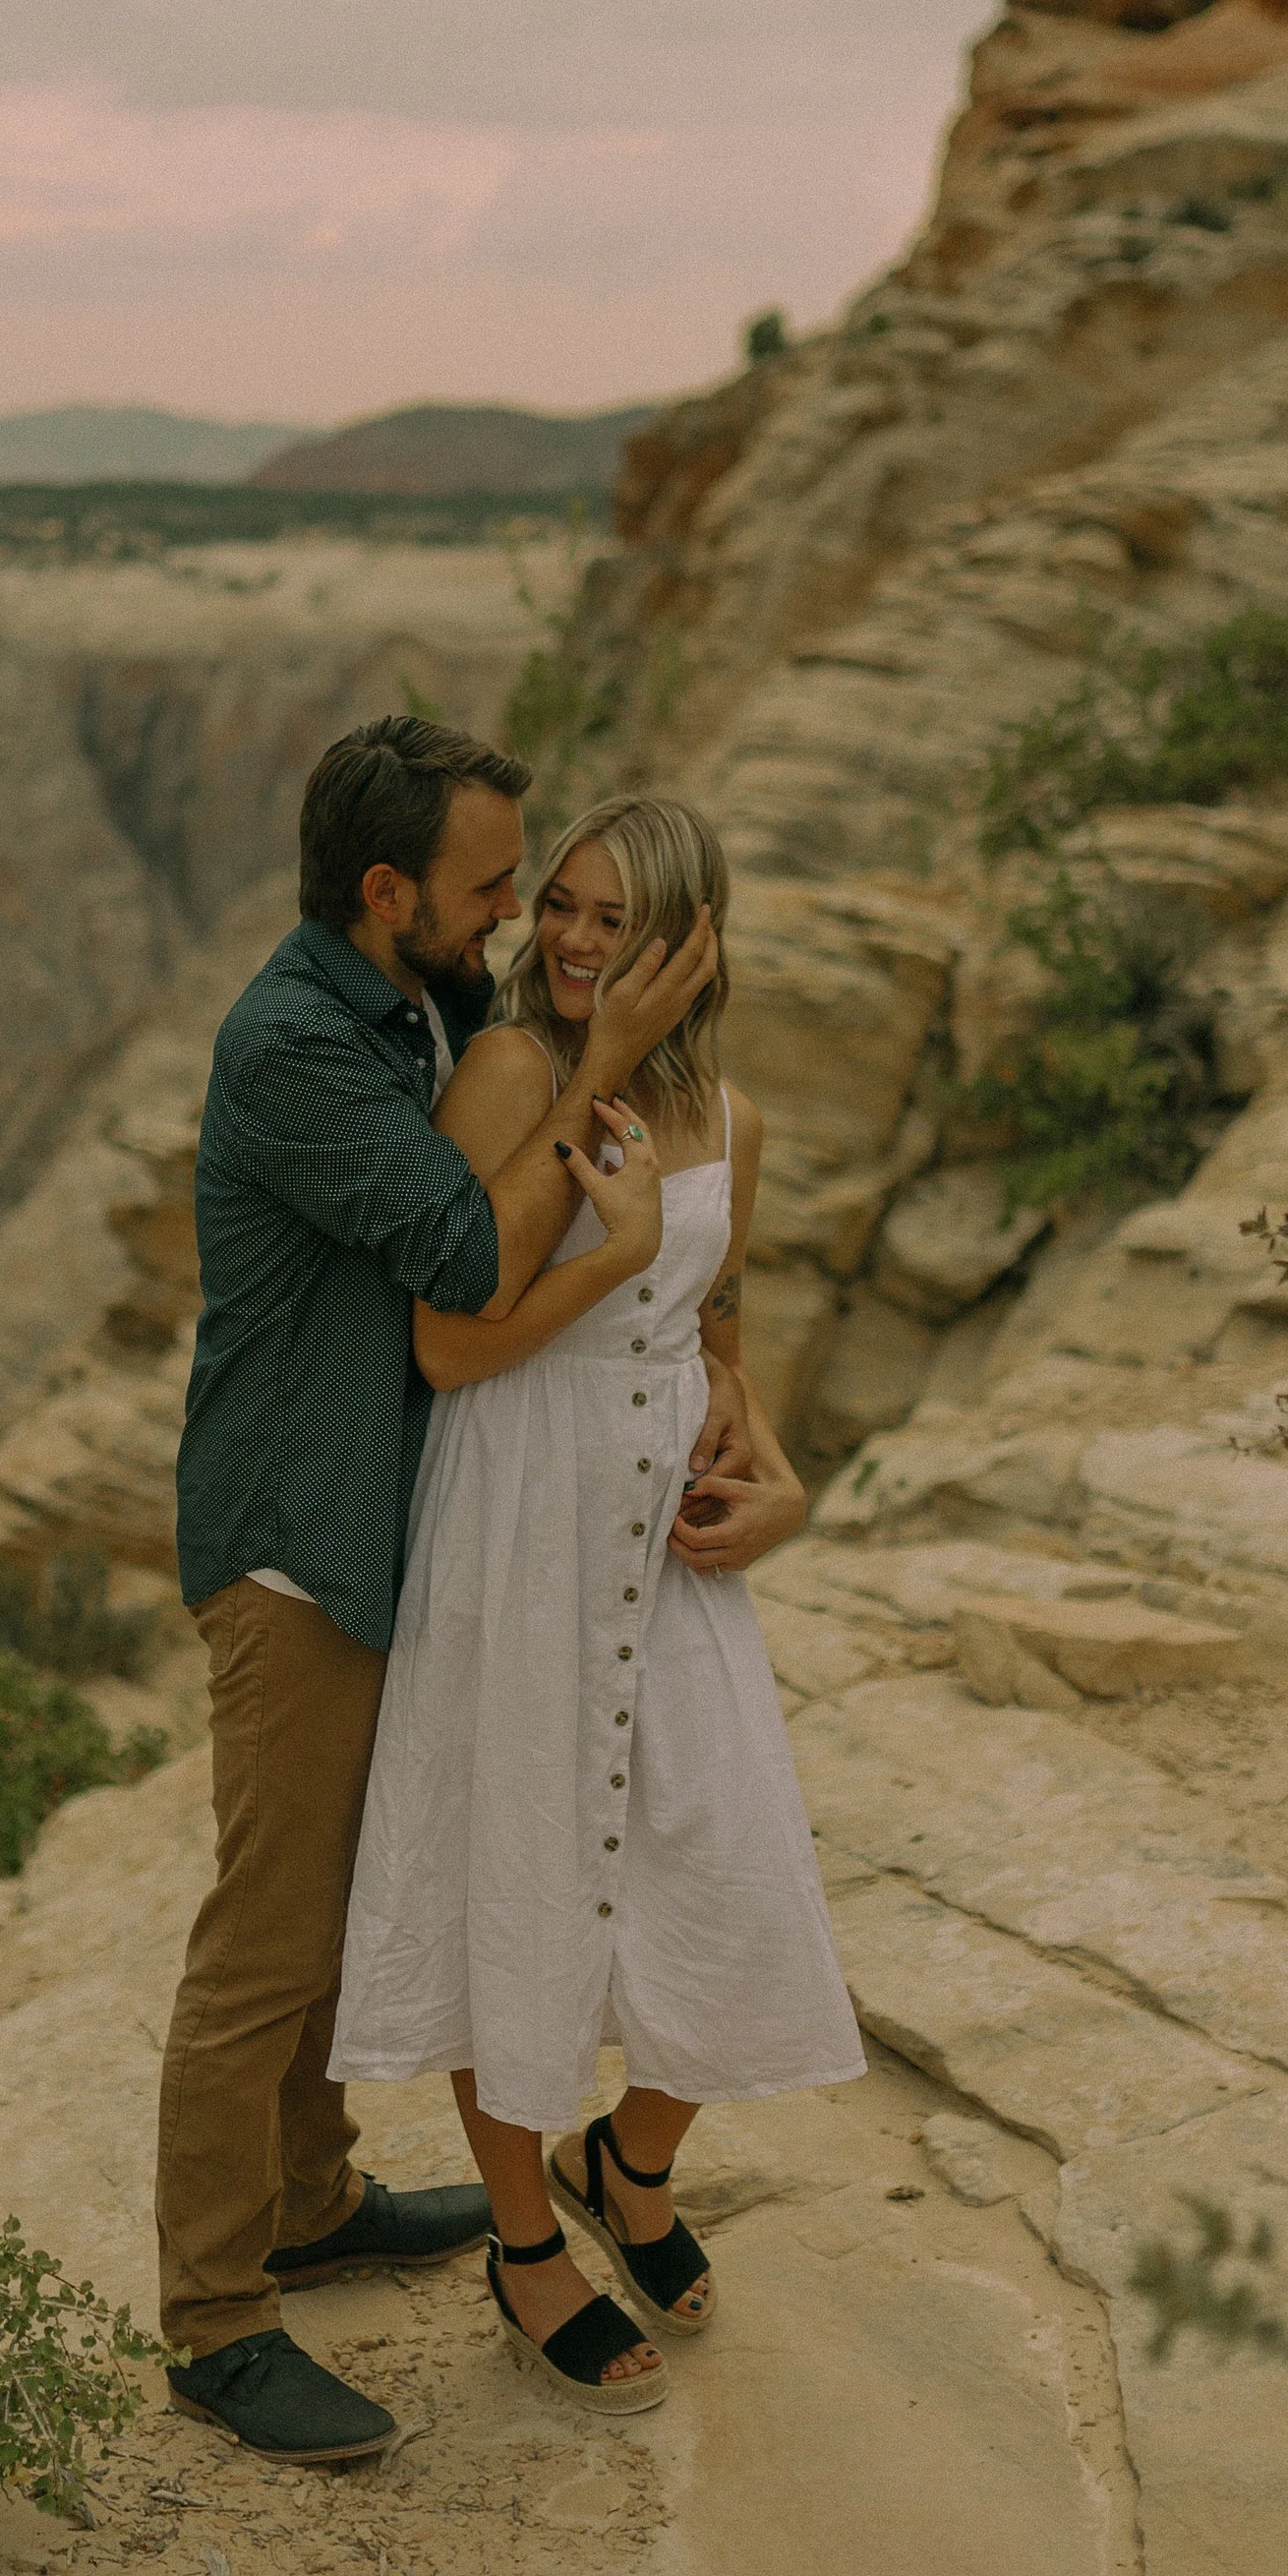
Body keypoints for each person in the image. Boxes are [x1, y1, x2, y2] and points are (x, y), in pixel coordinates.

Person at [157, 719, 732, 2467]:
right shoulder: (291, 1051)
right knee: (264, 1940)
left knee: (339, 1893)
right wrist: (606, 1055)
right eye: (493, 885)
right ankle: (213, 2316)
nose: (512, 918)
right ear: (388, 888)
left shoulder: (406, 1002)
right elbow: (477, 1252)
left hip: (396, 1521)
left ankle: (314, 2197)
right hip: (293, 1535)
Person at [331, 794, 863, 2412]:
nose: (569, 940)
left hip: (661, 1542)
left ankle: (624, 2157)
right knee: (526, 1879)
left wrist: (773, 1468)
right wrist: (601, 1153)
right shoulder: (508, 1075)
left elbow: (724, 1325)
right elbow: (446, 1341)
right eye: (557, 904)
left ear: (690, 940)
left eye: (612, 919)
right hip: (517, 1517)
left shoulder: (736, 1119)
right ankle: (523, 2240)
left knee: (730, 1870)